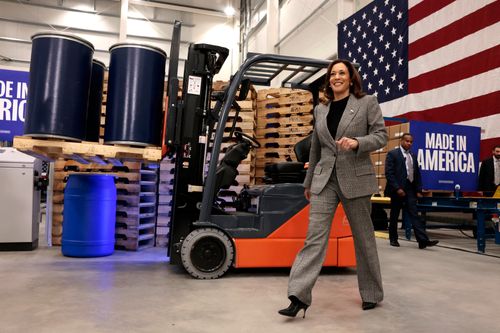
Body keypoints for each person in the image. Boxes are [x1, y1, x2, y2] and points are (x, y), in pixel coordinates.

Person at [278, 59, 387, 318]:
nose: (337, 77)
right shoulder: (321, 110)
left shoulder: (367, 102)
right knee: (314, 238)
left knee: (364, 239)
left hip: (356, 179)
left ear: (351, 78)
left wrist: (358, 142)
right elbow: (316, 148)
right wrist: (308, 183)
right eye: (333, 73)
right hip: (324, 180)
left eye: (342, 73)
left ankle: (372, 293)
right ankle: (298, 296)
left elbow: (381, 135)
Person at [384, 133, 439, 249]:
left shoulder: (413, 156)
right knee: (394, 215)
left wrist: (418, 190)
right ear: (401, 141)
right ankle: (393, 239)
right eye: (407, 141)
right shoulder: (393, 154)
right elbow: (389, 173)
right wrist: (397, 188)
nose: (409, 143)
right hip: (396, 190)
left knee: (414, 214)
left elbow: (417, 174)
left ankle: (423, 241)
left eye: (411, 142)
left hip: (410, 189)